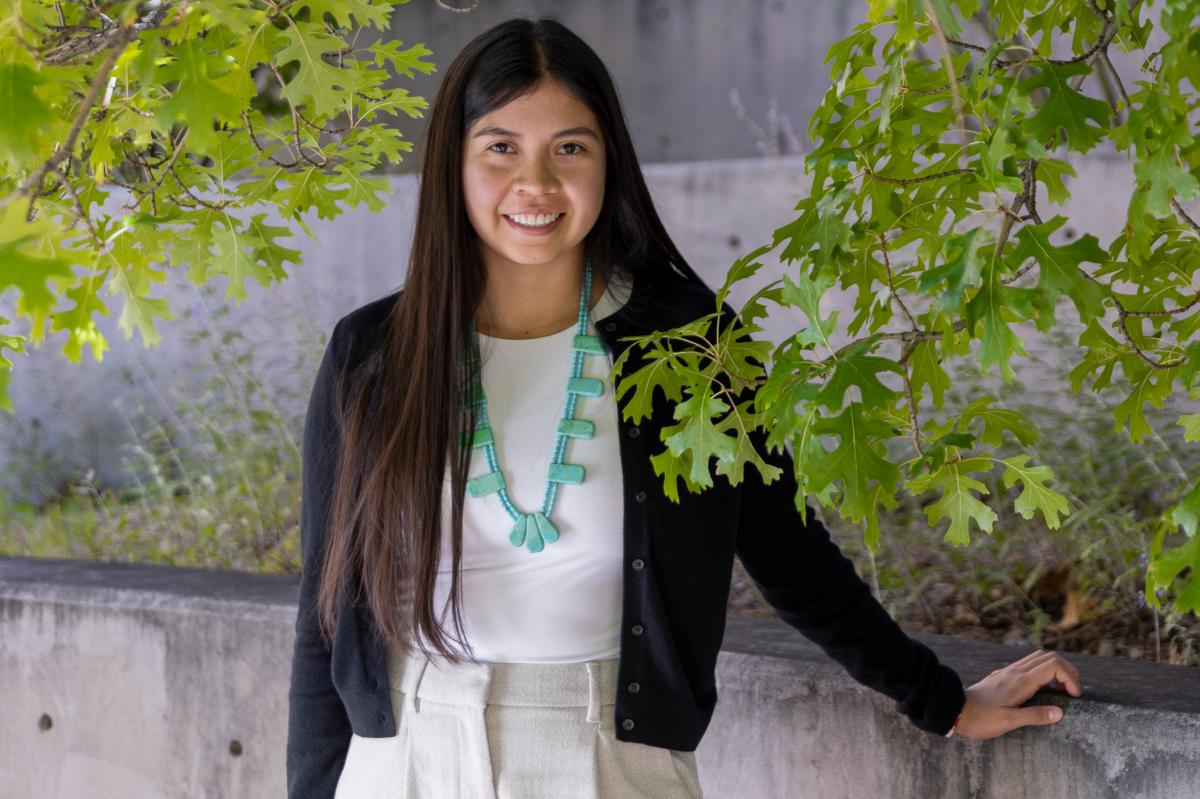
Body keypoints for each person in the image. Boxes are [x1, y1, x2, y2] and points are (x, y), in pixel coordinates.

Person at [286, 16, 1084, 799]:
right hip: (405, 758)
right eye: (500, 147)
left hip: (606, 758)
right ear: (452, 163)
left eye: (570, 147)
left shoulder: (685, 344)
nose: (537, 183)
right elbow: (324, 617)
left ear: (609, 163)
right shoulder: (373, 355)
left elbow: (790, 553)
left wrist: (941, 700)